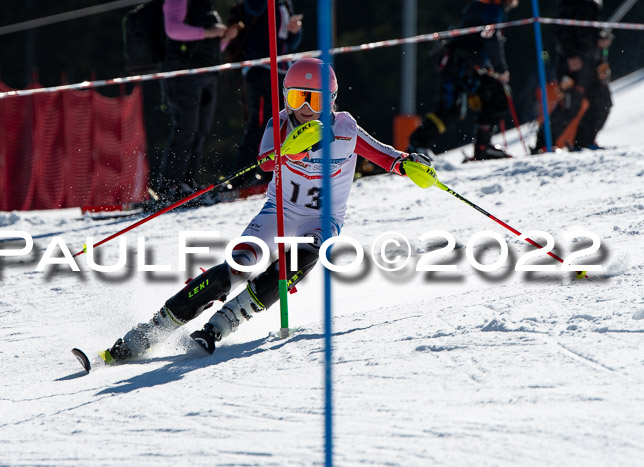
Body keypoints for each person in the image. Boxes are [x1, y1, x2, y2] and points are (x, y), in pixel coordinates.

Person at [101, 58, 433, 360]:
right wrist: (292, 150)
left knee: (301, 257)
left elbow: (384, 156)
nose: (304, 108)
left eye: (313, 99)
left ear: (331, 101)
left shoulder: (345, 128)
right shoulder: (279, 125)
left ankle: (224, 322)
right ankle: (150, 331)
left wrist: (410, 165)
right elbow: (264, 161)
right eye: (296, 98)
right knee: (238, 265)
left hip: (322, 220)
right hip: (278, 213)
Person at [407, 0, 519, 161]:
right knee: (497, 96)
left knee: (453, 109)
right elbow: (490, 37)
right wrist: (500, 68)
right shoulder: (493, 7)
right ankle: (481, 148)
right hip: (462, 65)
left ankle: (419, 143)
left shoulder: (481, 5)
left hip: (458, 62)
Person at [156, 0, 237, 201]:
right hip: (182, 73)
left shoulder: (206, 7)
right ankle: (170, 187)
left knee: (200, 130)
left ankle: (187, 184)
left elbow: (210, 48)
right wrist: (210, 32)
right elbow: (173, 29)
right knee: (185, 129)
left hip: (206, 75)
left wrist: (225, 38)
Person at [227, 0, 303, 188]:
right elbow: (254, 9)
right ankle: (241, 178)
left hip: (282, 70)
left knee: (284, 120)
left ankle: (277, 172)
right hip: (260, 68)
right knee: (261, 122)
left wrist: (295, 30)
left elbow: (289, 42)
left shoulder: (285, 2)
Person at [533, 0, 612, 152]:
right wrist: (570, 54)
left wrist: (602, 38)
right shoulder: (568, 4)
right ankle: (542, 144)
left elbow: (595, 29)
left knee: (602, 101)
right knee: (569, 105)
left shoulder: (595, 4)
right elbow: (561, 30)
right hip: (572, 65)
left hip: (592, 63)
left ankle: (583, 142)